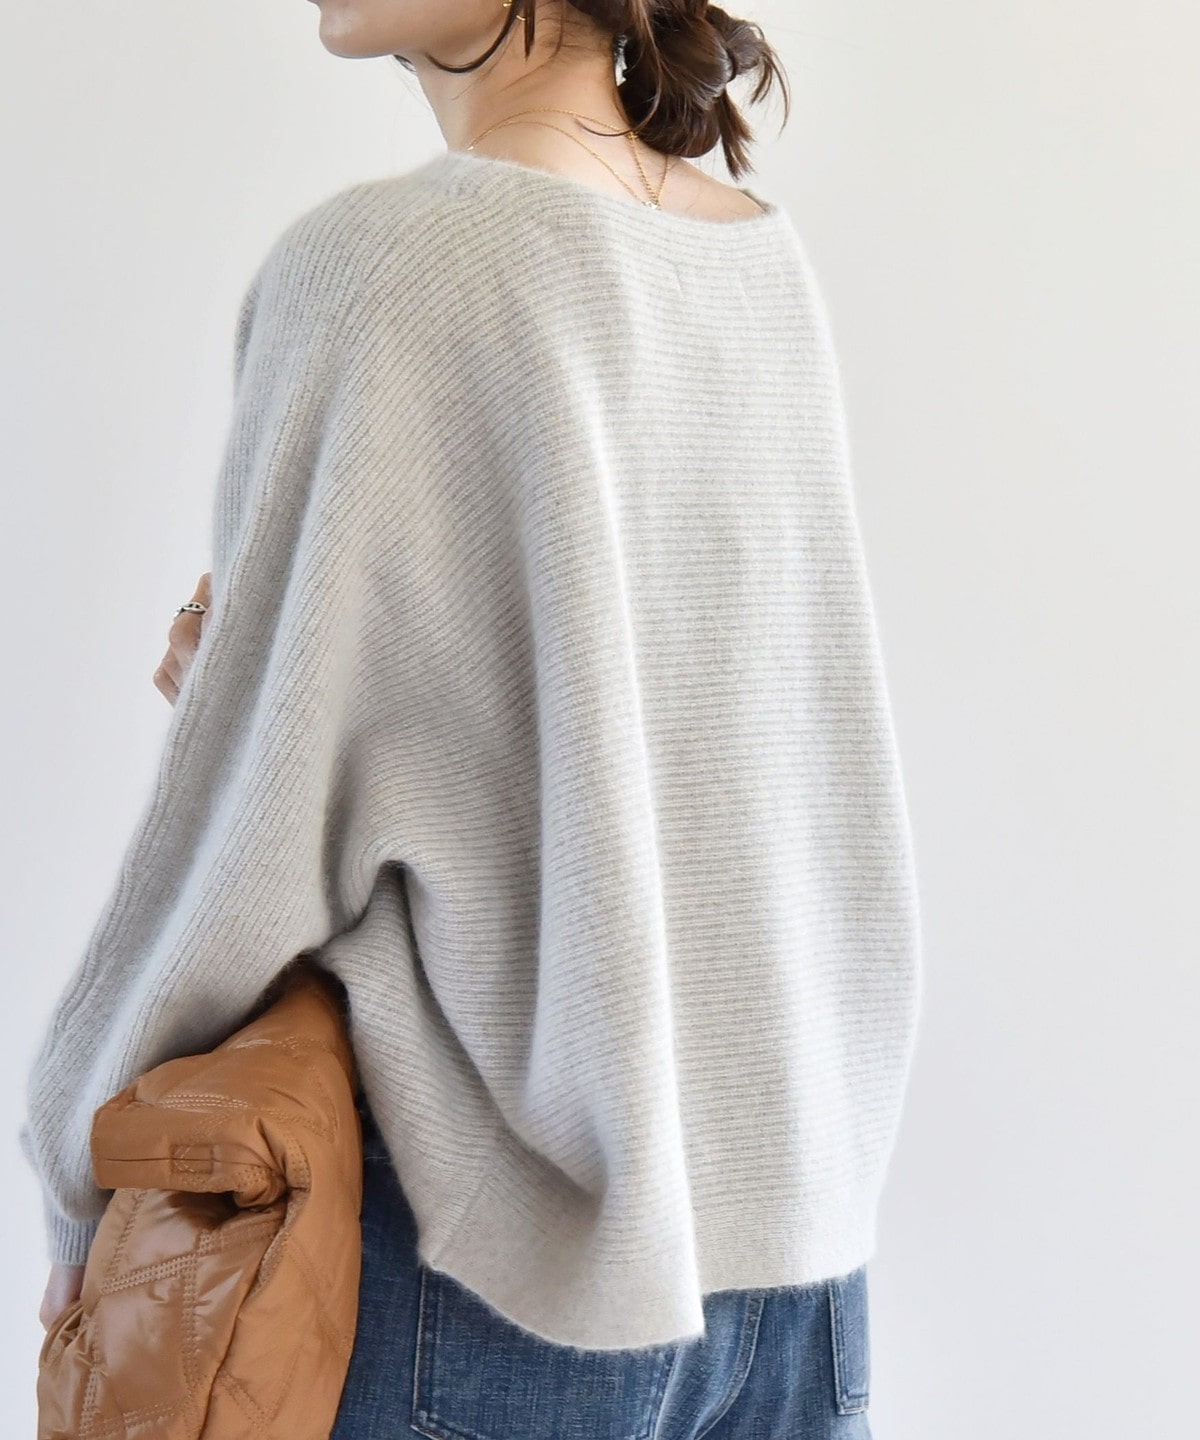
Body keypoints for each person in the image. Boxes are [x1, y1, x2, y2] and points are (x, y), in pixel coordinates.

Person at [24, 2, 922, 1435]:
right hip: (798, 1263)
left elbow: (246, 852)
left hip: (498, 1275)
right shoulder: (753, 256)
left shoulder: (384, 268)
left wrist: (83, 1150)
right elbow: (698, 761)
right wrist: (295, 685)